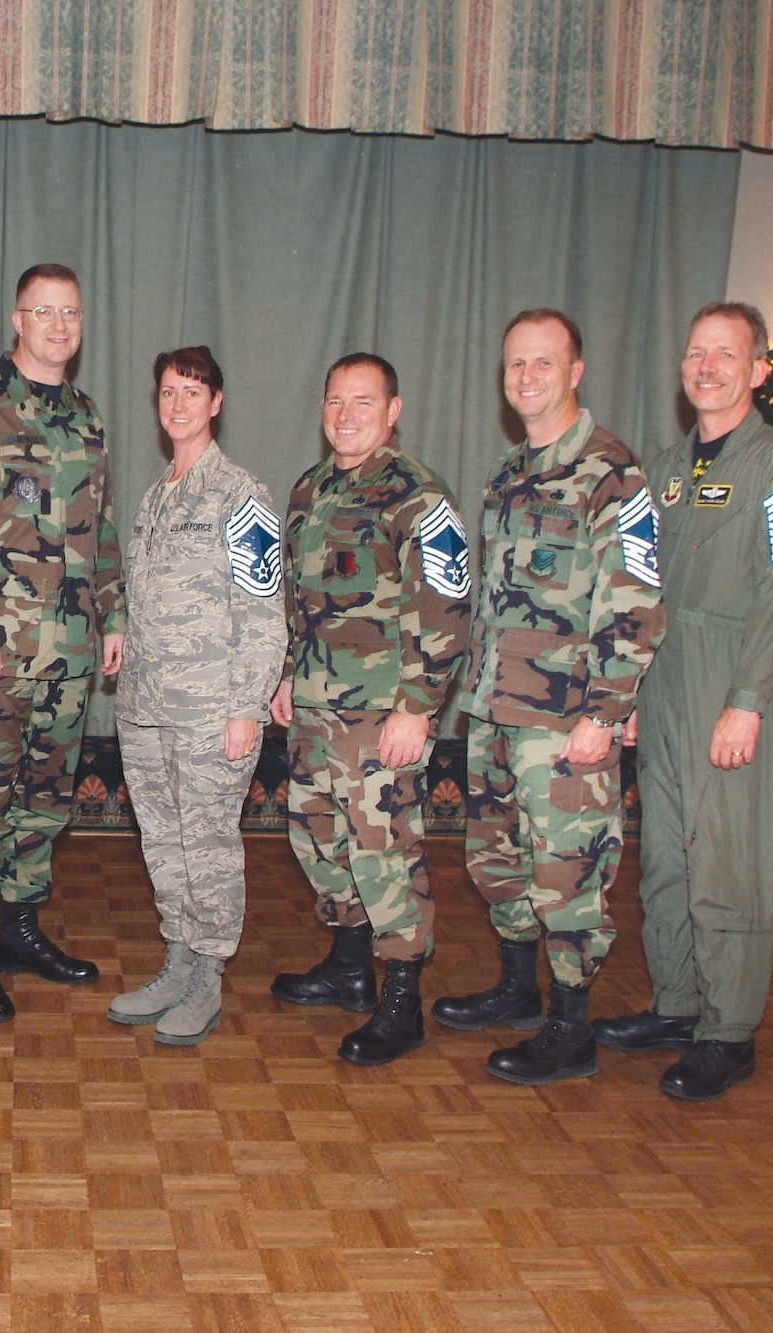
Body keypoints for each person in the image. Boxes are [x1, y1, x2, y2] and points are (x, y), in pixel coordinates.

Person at [595, 302, 773, 1100]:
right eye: (696, 353)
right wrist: (625, 691)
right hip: (662, 683)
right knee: (666, 858)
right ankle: (678, 1002)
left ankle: (728, 1029)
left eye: (726, 354)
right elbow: (639, 585)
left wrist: (751, 697)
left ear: (758, 370)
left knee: (727, 858)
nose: (707, 367)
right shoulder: (663, 467)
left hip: (730, 678)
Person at [436, 309, 666, 1085]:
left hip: (566, 719)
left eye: (542, 363)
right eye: (514, 365)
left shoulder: (613, 473)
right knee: (499, 858)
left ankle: (572, 1028)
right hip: (497, 706)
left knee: (567, 868)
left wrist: (606, 711)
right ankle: (517, 989)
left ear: (576, 370)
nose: (526, 378)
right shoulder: (507, 473)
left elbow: (635, 602)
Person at [0, 262, 126, 1021]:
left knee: (45, 799)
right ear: (17, 319)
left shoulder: (88, 414)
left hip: (70, 652)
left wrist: (115, 612)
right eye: (43, 312)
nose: (58, 326)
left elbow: (100, 525)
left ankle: (19, 928)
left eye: (69, 313)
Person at [267, 354, 472, 1065]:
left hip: (381, 712)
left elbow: (446, 607)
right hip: (318, 702)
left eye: (363, 401)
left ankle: (401, 998)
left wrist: (418, 708)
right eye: (335, 401)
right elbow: (298, 600)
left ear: (394, 410)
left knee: (383, 851)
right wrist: (290, 672)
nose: (346, 414)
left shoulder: (418, 496)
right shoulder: (310, 489)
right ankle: (350, 965)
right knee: (317, 838)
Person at [109, 347, 286, 1046]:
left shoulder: (242, 495)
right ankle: (177, 961)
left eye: (192, 392)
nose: (177, 404)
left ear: (216, 403)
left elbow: (265, 609)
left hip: (212, 709)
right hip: (147, 705)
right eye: (167, 392)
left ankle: (207, 976)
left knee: (207, 843)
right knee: (164, 841)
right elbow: (144, 593)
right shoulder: (156, 497)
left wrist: (247, 704)